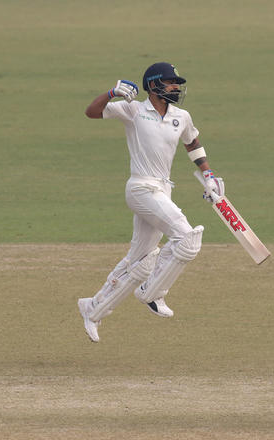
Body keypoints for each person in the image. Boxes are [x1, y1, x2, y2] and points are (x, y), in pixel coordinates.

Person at [77, 62, 224, 343]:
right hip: (140, 187)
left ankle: (93, 309)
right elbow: (91, 112)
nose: (176, 87)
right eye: (171, 82)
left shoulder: (181, 116)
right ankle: (153, 292)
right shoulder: (133, 109)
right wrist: (111, 93)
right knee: (187, 238)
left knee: (140, 260)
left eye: (177, 83)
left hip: (163, 190)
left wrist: (208, 175)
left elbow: (192, 143)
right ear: (154, 85)